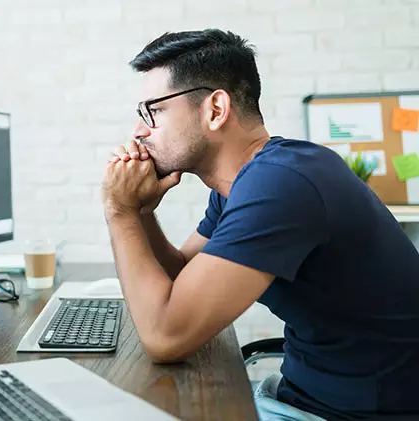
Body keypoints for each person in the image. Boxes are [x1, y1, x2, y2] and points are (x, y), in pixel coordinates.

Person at [101, 29, 419, 420]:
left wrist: (120, 211)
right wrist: (143, 213)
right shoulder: (246, 183)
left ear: (215, 110)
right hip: (300, 396)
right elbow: (185, 276)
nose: (139, 131)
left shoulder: (282, 184)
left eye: (156, 111)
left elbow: (166, 337)